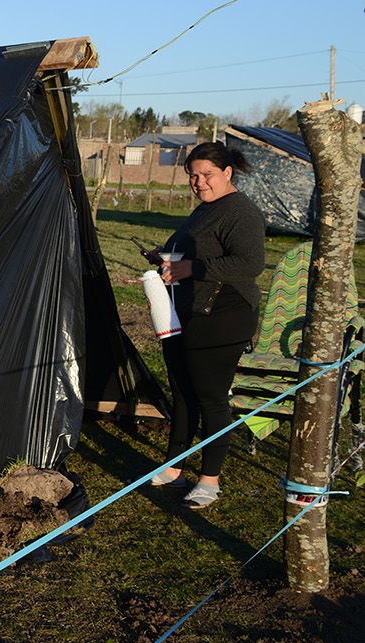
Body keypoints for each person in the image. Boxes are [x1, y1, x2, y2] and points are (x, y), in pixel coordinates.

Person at [146, 142, 264, 509]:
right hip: (189, 311)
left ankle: (209, 481)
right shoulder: (204, 210)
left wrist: (191, 268)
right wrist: (164, 261)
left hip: (224, 316)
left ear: (227, 172)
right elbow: (194, 252)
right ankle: (174, 467)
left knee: (211, 398)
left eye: (206, 174)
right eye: (193, 175)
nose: (199, 182)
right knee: (183, 392)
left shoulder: (241, 212)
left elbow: (250, 263)